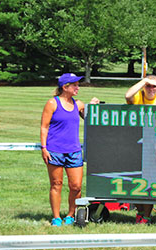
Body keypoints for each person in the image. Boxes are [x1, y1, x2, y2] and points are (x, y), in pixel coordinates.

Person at [40, 73, 99, 226]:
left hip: (74, 151)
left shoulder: (78, 104)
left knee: (76, 186)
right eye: (75, 85)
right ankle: (56, 217)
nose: (77, 87)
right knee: (56, 184)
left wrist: (92, 106)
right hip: (54, 151)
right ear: (65, 87)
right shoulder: (52, 103)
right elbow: (44, 127)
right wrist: (44, 148)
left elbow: (90, 118)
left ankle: (71, 215)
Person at [125, 75, 156, 224]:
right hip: (134, 143)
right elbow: (128, 95)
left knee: (149, 181)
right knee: (134, 180)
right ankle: (139, 210)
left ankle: (146, 215)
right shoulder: (138, 96)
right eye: (148, 86)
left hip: (153, 145)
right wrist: (144, 81)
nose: (151, 89)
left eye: (154, 86)